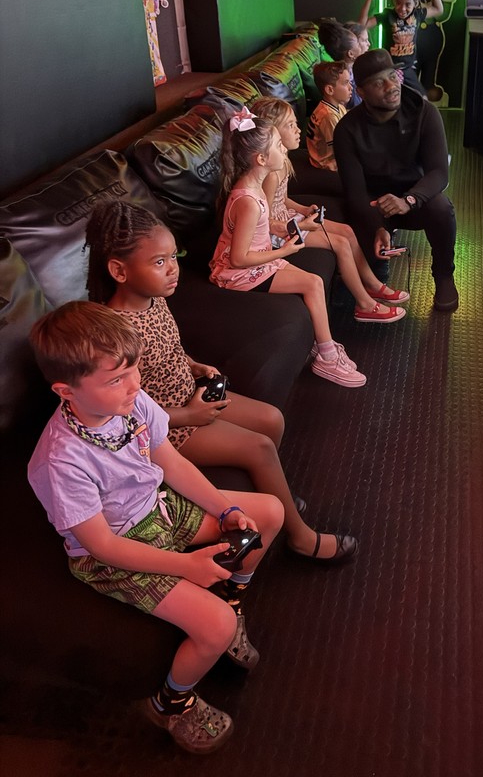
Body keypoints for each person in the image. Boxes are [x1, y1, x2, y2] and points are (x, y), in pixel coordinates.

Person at [27, 300, 285, 753]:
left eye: (133, 370)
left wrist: (225, 509)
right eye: (115, 379)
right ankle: (171, 703)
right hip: (116, 549)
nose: (134, 385)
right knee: (217, 625)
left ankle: (232, 593)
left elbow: (171, 464)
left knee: (269, 512)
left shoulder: (133, 403)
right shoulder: (61, 461)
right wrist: (187, 566)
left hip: (157, 508)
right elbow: (101, 545)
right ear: (66, 391)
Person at [84, 198, 359, 564]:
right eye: (159, 262)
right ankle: (300, 537)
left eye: (173, 257)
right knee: (259, 447)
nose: (173, 269)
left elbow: (169, 347)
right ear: (119, 271)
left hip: (188, 395)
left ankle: (270, 493)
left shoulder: (153, 298)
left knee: (272, 418)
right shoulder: (115, 336)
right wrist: (188, 416)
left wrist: (195, 365)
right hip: (164, 430)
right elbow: (126, 414)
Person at [210, 109, 369, 386]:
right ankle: (327, 357)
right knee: (313, 283)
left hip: (260, 259)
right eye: (277, 146)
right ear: (261, 159)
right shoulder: (248, 200)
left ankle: (324, 346)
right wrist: (284, 251)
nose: (283, 149)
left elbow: (261, 229)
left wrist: (284, 232)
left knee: (313, 282)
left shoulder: (254, 187)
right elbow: (238, 259)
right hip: (238, 274)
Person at [251, 96, 409, 320]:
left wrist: (304, 210)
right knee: (340, 244)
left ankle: (372, 285)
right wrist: (299, 225)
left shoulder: (283, 160)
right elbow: (264, 220)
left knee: (347, 231)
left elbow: (282, 200)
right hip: (279, 232)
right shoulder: (270, 173)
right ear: (272, 133)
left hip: (288, 218)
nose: (298, 129)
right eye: (290, 125)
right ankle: (364, 305)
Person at [333, 48, 459, 312]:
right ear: (361, 92)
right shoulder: (347, 129)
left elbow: (439, 172)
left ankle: (444, 275)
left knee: (441, 207)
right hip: (372, 205)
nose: (391, 86)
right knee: (357, 293)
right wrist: (378, 225)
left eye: (393, 76)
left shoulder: (425, 112)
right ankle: (377, 262)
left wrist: (409, 200)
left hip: (414, 198)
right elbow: (355, 193)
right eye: (378, 83)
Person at [358, 0, 443, 97]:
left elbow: (439, 9)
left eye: (408, 4)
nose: (402, 9)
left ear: (416, 3)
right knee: (393, 98)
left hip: (407, 69)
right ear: (394, 0)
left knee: (422, 99)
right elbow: (361, 25)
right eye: (398, 3)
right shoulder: (388, 15)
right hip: (390, 69)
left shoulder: (417, 14)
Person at [307, 61, 350, 171]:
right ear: (330, 90)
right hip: (326, 163)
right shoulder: (328, 116)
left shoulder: (338, 106)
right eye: (346, 83)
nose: (351, 87)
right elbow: (341, 148)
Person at [318, 18, 362, 107]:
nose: (360, 45)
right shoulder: (341, 79)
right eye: (358, 43)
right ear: (350, 54)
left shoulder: (353, 70)